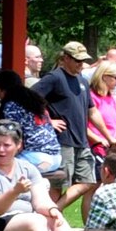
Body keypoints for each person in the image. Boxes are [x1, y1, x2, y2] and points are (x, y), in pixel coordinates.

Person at [34, 41, 97, 215]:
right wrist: (48, 121)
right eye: (77, 60)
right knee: (57, 186)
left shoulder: (82, 80)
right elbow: (29, 99)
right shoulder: (54, 78)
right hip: (62, 141)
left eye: (83, 60)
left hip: (81, 142)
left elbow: (92, 112)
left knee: (88, 182)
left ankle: (53, 212)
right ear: (65, 59)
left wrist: (108, 137)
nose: (80, 64)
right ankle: (47, 221)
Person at [0, 70, 65, 180]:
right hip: (56, 158)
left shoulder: (11, 106)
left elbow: (11, 135)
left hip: (35, 158)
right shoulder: (34, 101)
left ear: (1, 90)